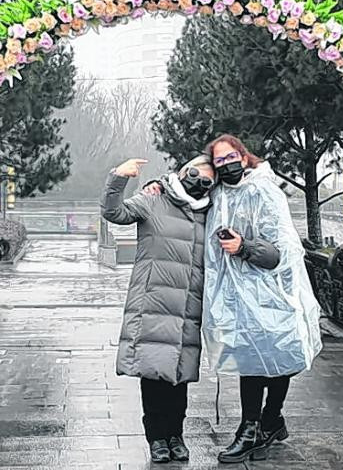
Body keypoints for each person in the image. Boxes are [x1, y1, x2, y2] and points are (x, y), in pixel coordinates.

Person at [149, 134, 322, 463]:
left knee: (279, 356)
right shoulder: (218, 192)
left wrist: (244, 247)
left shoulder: (263, 190)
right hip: (237, 296)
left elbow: (280, 250)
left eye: (231, 158)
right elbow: (186, 184)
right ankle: (253, 427)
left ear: (244, 157)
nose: (226, 165)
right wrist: (158, 184)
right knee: (251, 359)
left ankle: (268, 419)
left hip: (272, 291)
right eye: (219, 161)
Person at [100, 155, 216, 463]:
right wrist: (119, 176)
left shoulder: (210, 212)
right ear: (181, 170)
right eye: (194, 172)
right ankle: (156, 438)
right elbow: (114, 211)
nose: (199, 181)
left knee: (179, 377)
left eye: (207, 179)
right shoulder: (155, 198)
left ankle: (176, 434)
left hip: (188, 308)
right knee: (153, 375)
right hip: (152, 304)